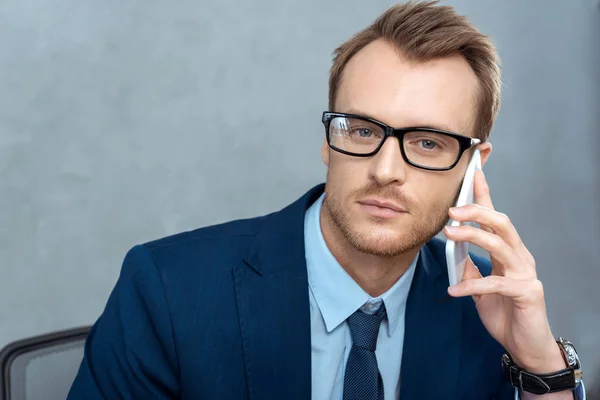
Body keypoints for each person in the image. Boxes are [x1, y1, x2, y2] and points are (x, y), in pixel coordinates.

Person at [67, 1, 587, 399]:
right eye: (362, 131)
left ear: (474, 165)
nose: (386, 171)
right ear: (327, 140)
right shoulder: (166, 288)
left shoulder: (484, 306)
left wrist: (541, 364)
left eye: (428, 143)